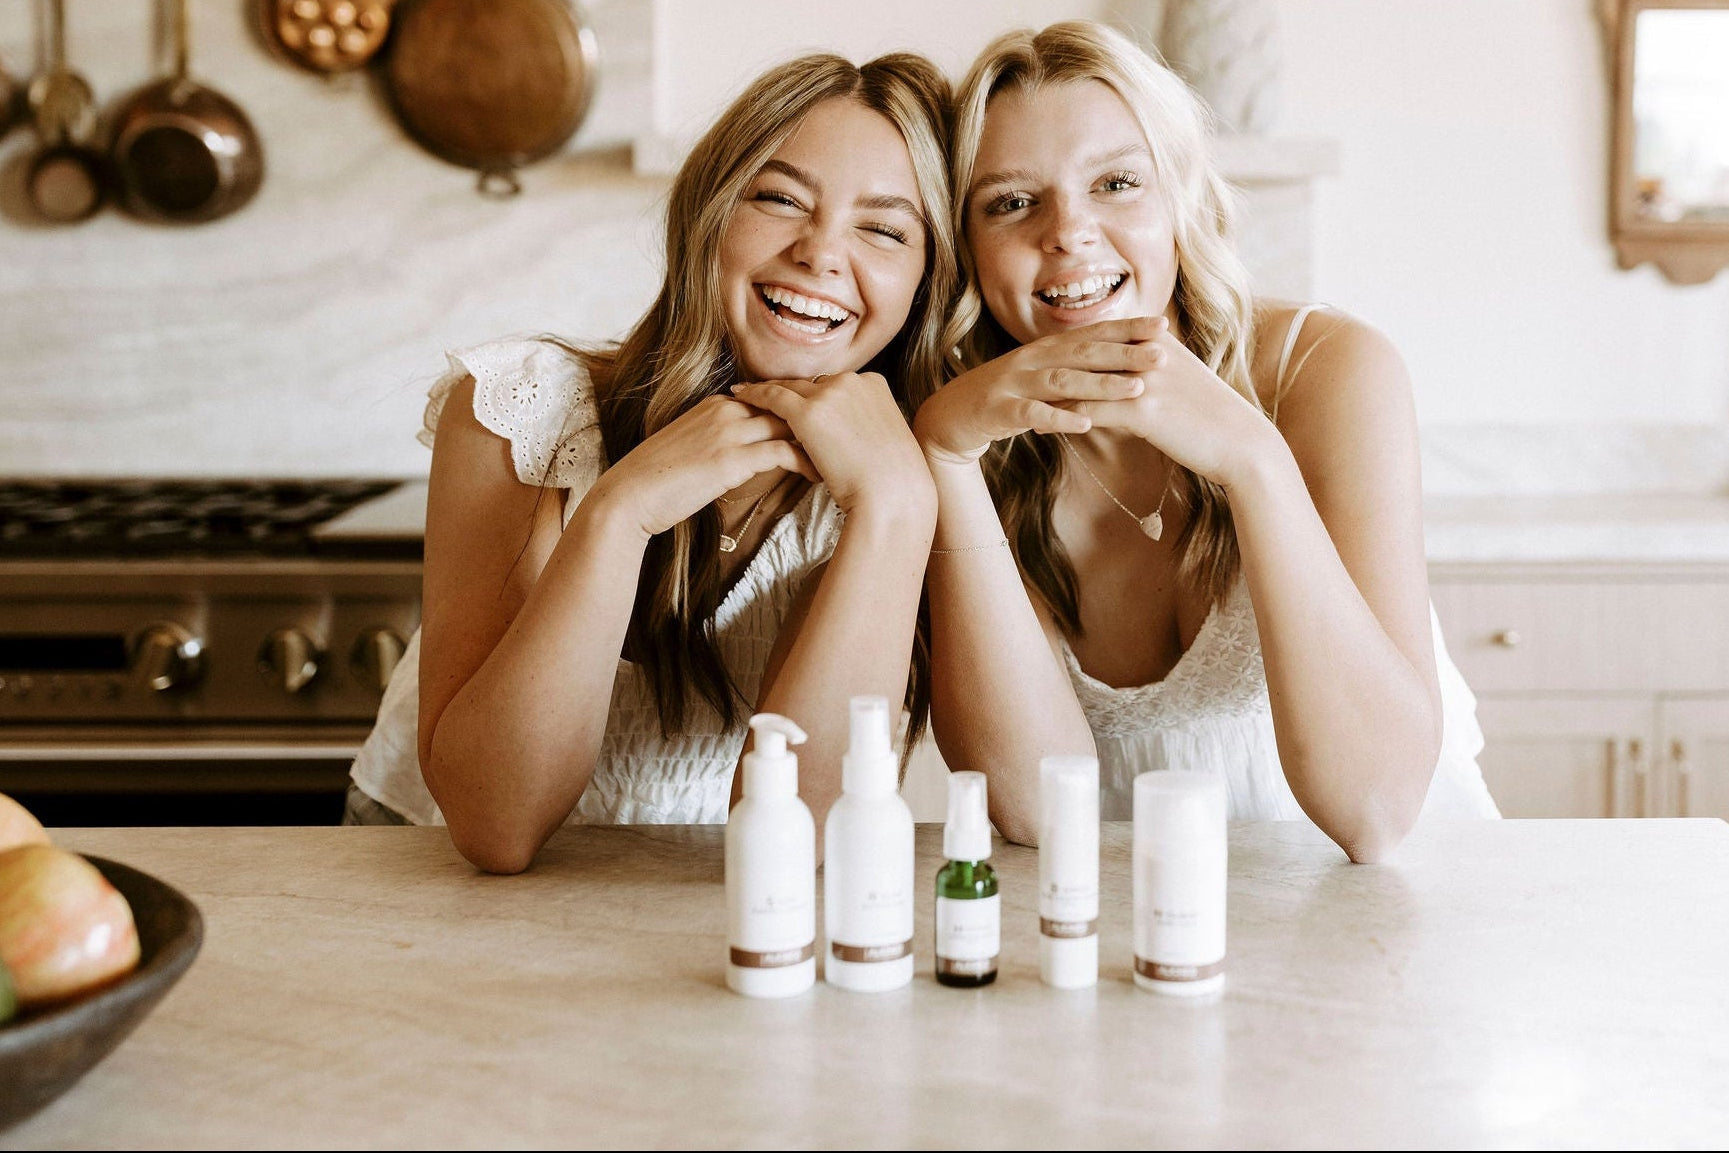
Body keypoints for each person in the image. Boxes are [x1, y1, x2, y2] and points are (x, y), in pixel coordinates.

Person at [345, 53, 957, 874]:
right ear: (708, 212)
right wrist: (619, 511)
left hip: (682, 895)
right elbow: (496, 825)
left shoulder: (918, 479)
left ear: (928, 279)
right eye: (778, 198)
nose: (820, 253)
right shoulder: (523, 408)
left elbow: (804, 840)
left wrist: (892, 507)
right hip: (425, 878)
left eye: (884, 229)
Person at [914, 20, 1497, 864]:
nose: (1068, 232)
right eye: (1010, 201)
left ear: (1179, 198)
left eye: (1115, 182)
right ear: (967, 247)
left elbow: (1374, 810)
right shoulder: (970, 439)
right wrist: (945, 459)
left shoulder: (1327, 374)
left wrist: (1251, 459)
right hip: (1135, 933)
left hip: (1395, 911)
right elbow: (1036, 806)